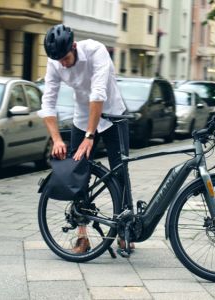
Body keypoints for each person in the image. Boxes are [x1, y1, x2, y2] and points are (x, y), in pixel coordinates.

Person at [38, 24, 130, 253]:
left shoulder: (96, 51)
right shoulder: (55, 61)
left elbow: (98, 93)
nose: (63, 64)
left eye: (66, 58)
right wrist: (57, 139)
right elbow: (48, 102)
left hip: (112, 115)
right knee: (78, 172)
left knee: (120, 172)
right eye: (58, 60)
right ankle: (82, 236)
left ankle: (124, 231)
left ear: (74, 46)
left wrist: (91, 136)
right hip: (81, 117)